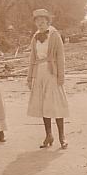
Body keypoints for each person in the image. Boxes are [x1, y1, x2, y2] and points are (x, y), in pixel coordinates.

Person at [27, 9, 69, 149]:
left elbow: (60, 56)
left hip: (52, 72)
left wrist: (61, 76)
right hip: (39, 73)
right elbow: (32, 57)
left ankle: (62, 136)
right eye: (38, 22)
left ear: (48, 21)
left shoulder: (54, 35)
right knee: (43, 105)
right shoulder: (35, 36)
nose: (40, 24)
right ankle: (48, 135)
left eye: (43, 21)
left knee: (55, 104)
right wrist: (29, 77)